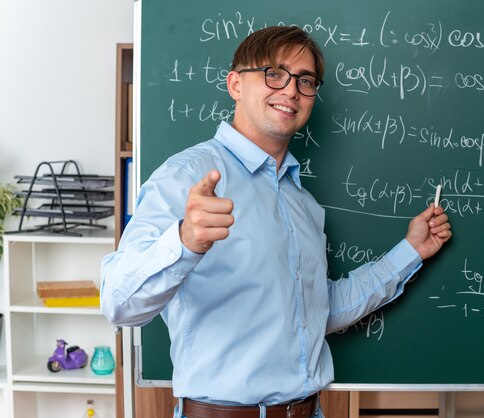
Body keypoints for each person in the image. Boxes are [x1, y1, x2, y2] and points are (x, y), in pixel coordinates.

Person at [100, 26, 452, 418]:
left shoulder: (302, 203)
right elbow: (118, 303)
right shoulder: (186, 177)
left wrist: (410, 251)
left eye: (305, 81)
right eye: (274, 73)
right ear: (235, 84)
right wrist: (183, 242)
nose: (290, 91)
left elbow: (319, 310)